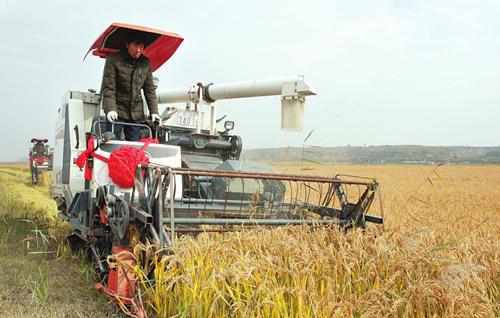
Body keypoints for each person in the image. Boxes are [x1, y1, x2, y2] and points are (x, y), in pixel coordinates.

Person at [101, 30, 161, 141]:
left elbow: (149, 90)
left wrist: (154, 112)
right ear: (127, 44)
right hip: (117, 110)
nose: (138, 50)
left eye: (141, 47)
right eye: (135, 46)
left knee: (134, 146)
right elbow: (109, 87)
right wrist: (110, 109)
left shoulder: (146, 63)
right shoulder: (113, 60)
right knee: (112, 143)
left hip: (135, 113)